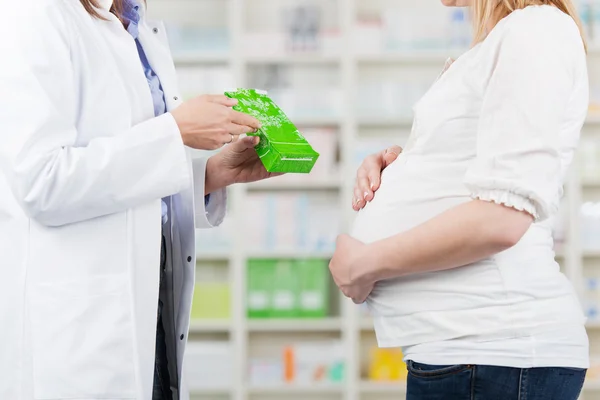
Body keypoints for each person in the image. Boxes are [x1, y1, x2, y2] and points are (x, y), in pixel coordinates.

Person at [0, 1, 277, 399]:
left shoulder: (138, 25)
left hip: (150, 311)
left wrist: (210, 176)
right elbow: (40, 181)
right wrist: (174, 132)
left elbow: (133, 182)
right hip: (79, 336)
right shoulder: (35, 13)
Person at [329, 0, 589, 399]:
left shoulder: (535, 29)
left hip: (495, 353)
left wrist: (365, 263)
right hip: (469, 354)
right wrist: (403, 167)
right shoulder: (504, 39)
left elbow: (502, 220)